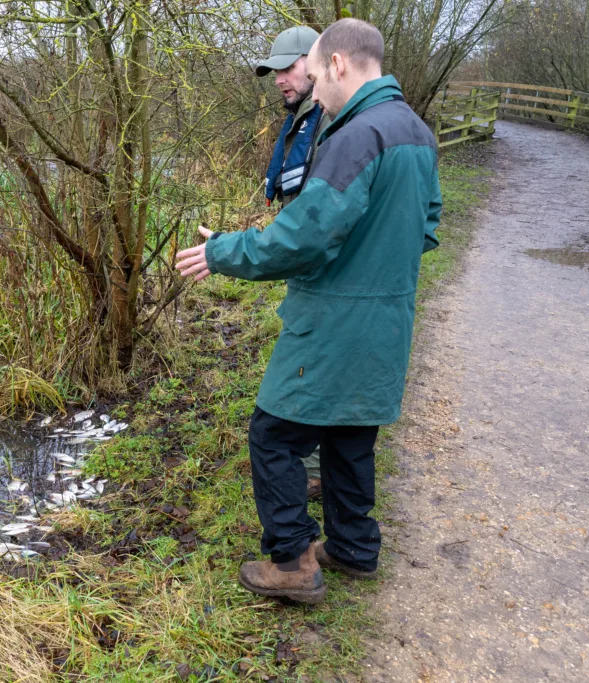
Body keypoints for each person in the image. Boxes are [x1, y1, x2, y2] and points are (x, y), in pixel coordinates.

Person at [175, 18, 442, 604]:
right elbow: (426, 226)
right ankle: (353, 546)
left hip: (334, 324)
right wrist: (376, 258)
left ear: (340, 64)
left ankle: (293, 562)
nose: (314, 92)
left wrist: (220, 250)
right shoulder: (417, 132)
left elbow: (301, 240)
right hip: (387, 322)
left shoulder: (356, 137)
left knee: (273, 435)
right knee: (349, 435)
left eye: (317, 76)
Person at [255, 25, 332, 499]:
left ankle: (318, 468)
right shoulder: (303, 114)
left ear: (316, 62)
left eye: (288, 67)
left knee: (314, 359)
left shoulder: (331, 120)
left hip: (321, 264)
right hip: (304, 260)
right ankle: (318, 461)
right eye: (274, 71)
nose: (280, 78)